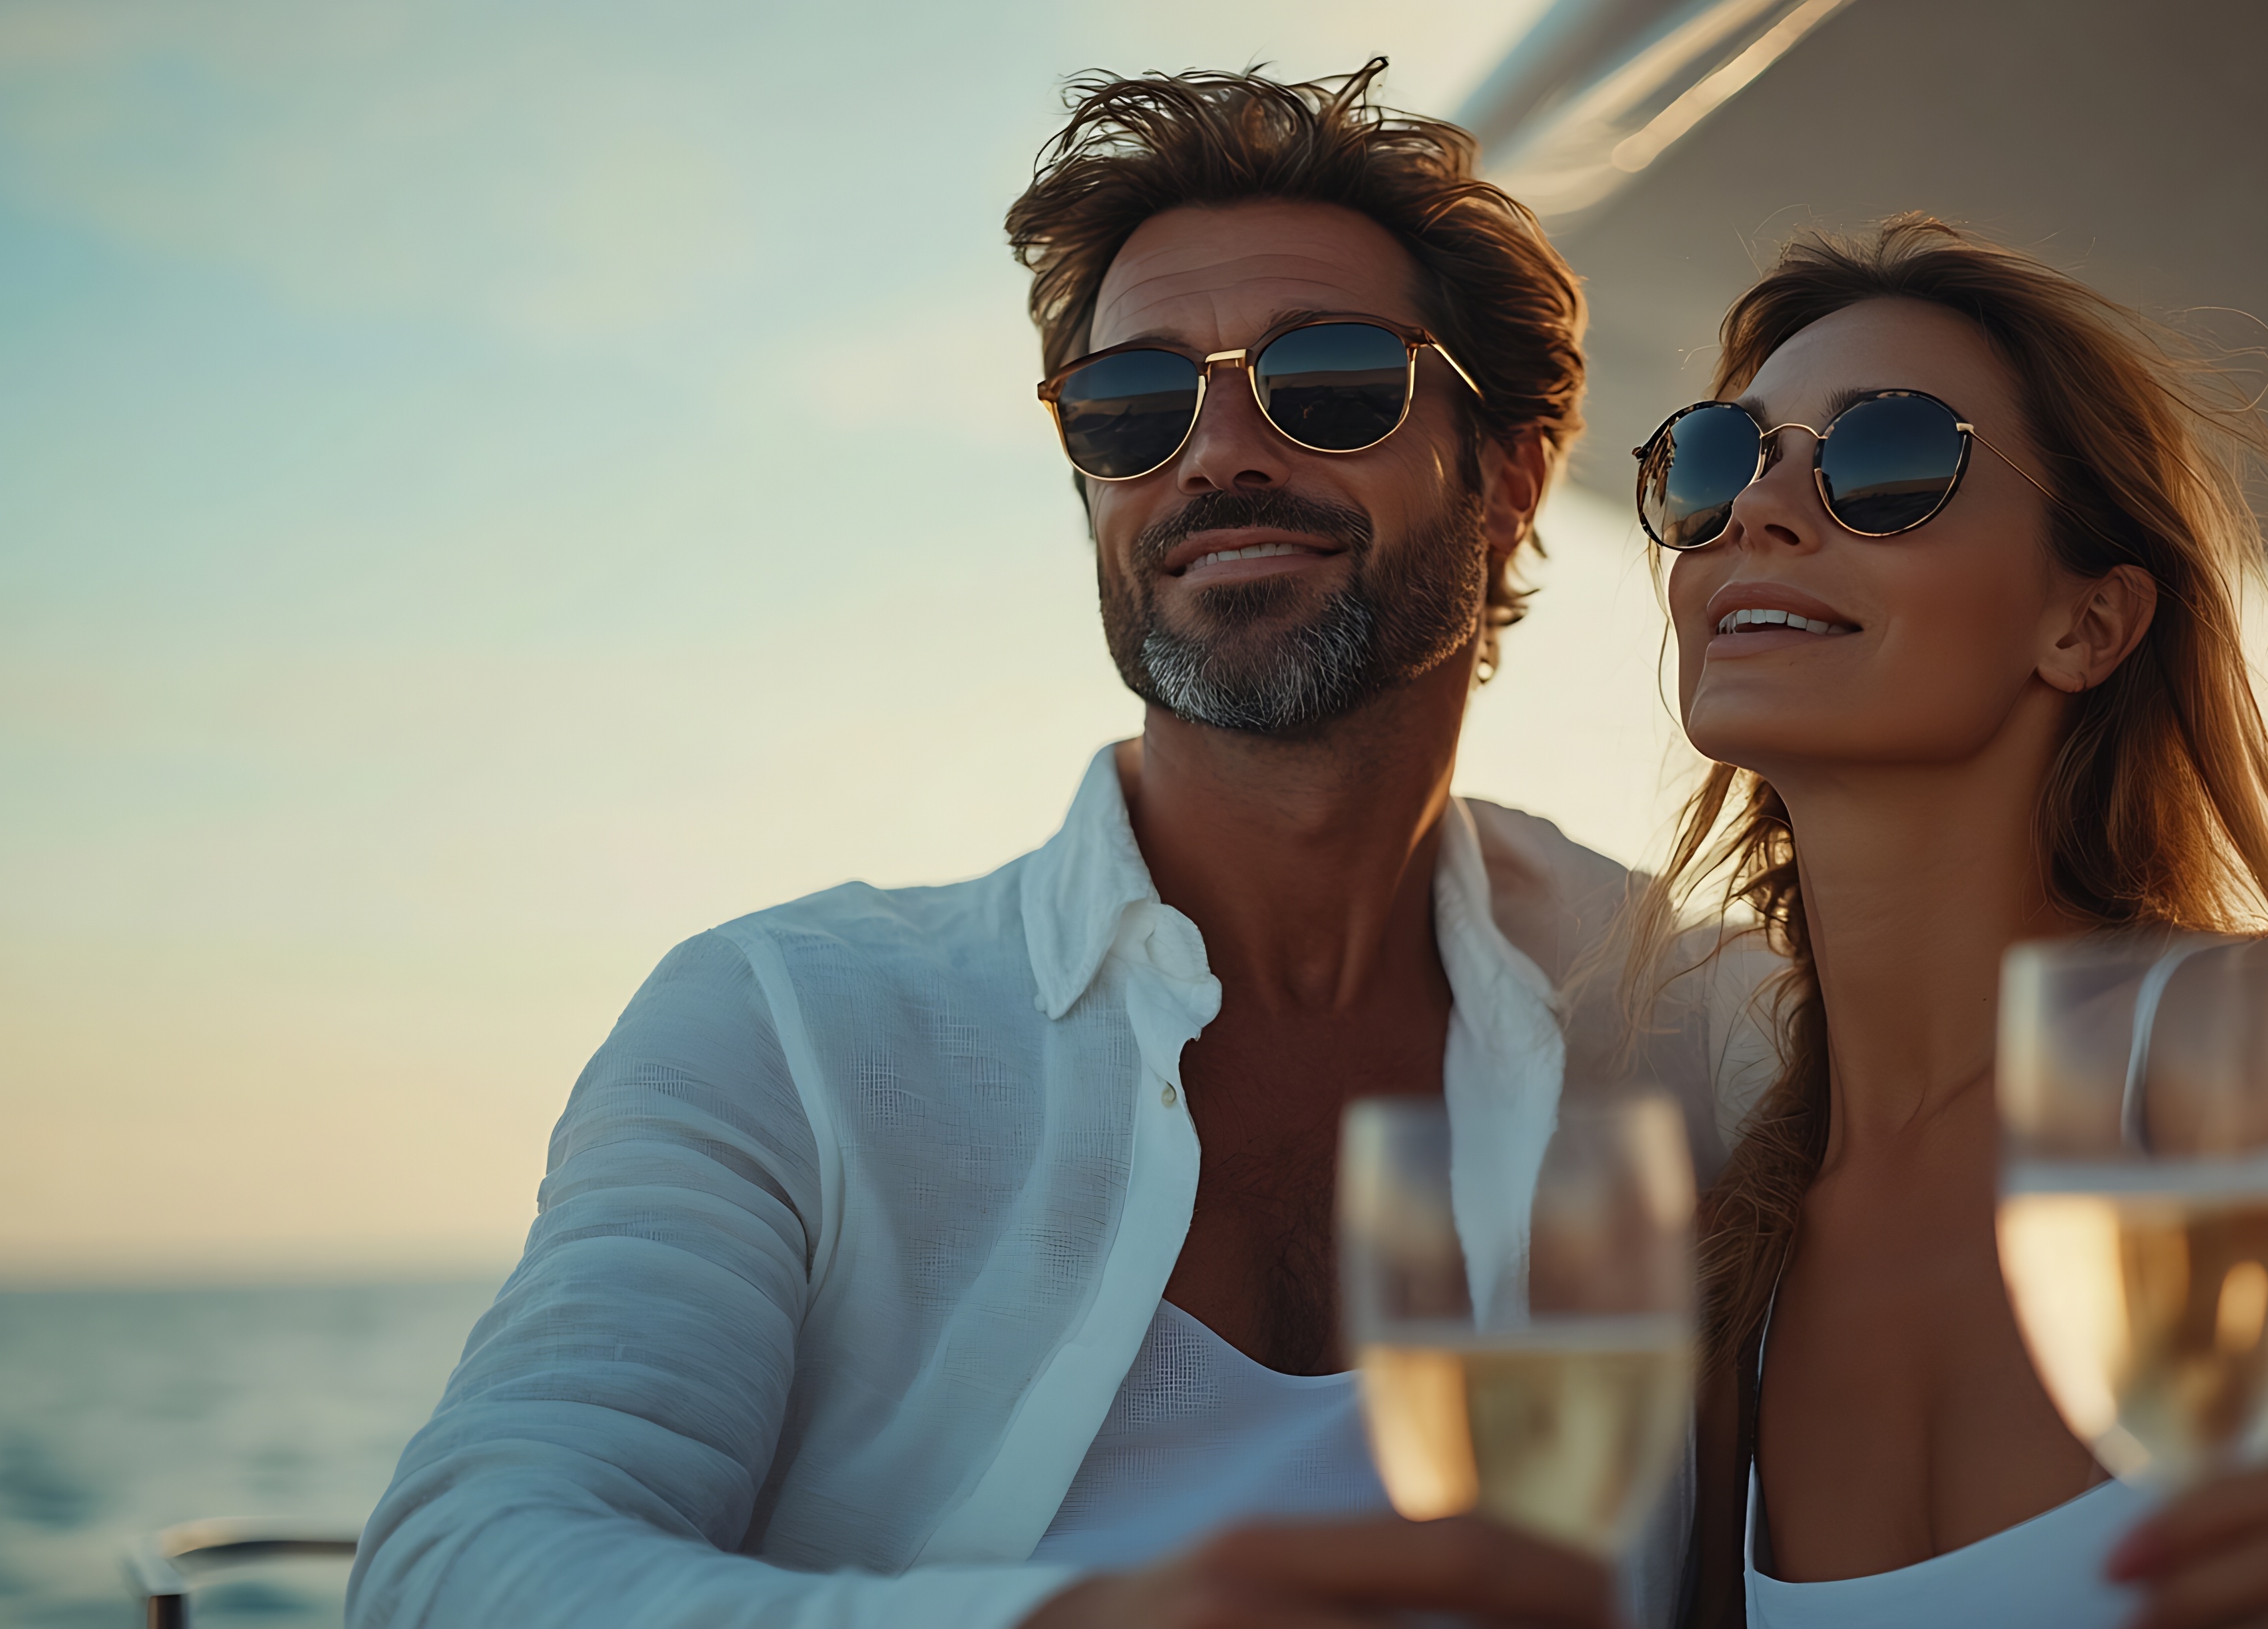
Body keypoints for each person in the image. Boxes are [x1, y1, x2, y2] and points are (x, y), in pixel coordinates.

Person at [345, 61, 1756, 1629]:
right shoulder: (788, 1029)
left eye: (1331, 380)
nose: (1215, 452)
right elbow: (462, 1569)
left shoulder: (1693, 1024)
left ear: (1502, 478)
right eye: (1135, 408)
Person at [1629, 217, 2268, 1627]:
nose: (1758, 514)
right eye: (1720, 462)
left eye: (1886, 463)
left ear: (2089, 624)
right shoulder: (1737, 1276)